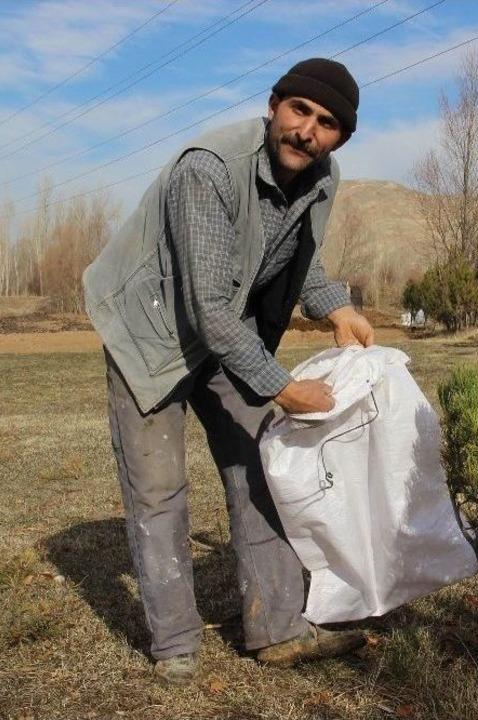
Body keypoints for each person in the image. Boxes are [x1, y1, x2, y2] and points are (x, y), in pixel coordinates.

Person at [82, 58, 374, 685]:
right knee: (158, 489)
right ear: (274, 105)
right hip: (151, 329)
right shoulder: (209, 169)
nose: (307, 131)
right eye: (299, 111)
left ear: (340, 137)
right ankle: (175, 642)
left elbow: (299, 259)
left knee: (260, 468)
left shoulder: (321, 178)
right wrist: (282, 387)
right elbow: (208, 310)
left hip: (225, 330)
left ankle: (277, 628)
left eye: (326, 124)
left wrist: (337, 308)